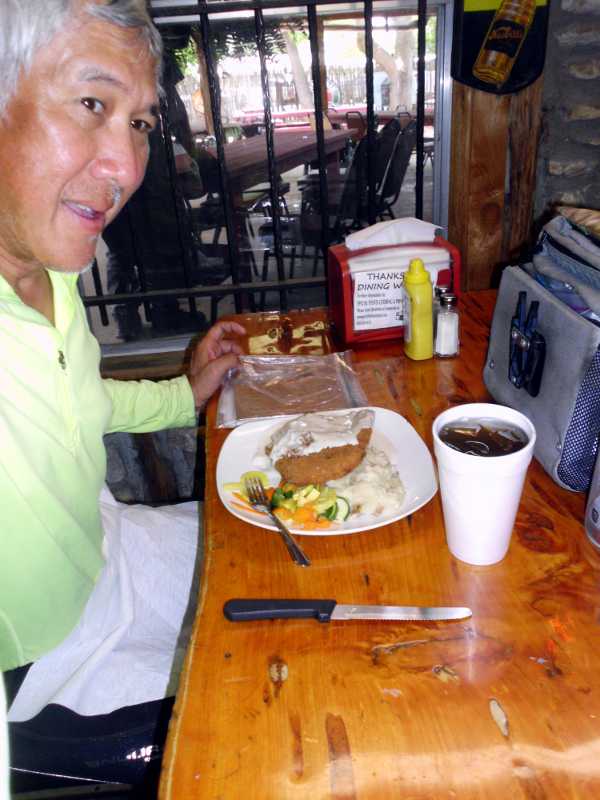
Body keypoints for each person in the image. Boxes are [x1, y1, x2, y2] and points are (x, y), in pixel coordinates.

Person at [0, 0, 244, 791]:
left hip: (104, 556)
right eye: (92, 104)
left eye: (138, 122)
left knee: (283, 570)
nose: (128, 168)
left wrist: (183, 393)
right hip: (41, 669)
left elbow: (79, 398)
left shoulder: (49, 272)